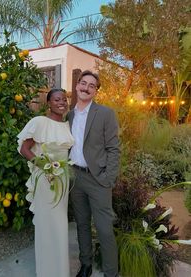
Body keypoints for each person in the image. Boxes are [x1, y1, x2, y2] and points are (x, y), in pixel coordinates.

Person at [17, 88, 74, 277]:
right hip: (46, 179)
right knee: (46, 224)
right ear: (48, 103)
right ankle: (47, 271)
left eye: (64, 100)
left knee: (59, 223)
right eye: (57, 99)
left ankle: (60, 270)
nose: (62, 103)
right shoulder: (39, 122)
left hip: (62, 180)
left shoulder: (67, 125)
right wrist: (45, 166)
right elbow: (24, 149)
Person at [69, 70, 120, 277]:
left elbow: (114, 149)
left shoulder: (105, 114)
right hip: (75, 178)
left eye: (92, 85)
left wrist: (109, 178)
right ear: (77, 85)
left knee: (105, 229)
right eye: (83, 83)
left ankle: (111, 273)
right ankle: (86, 264)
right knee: (81, 224)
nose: (86, 87)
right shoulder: (69, 115)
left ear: (96, 91)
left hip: (98, 178)